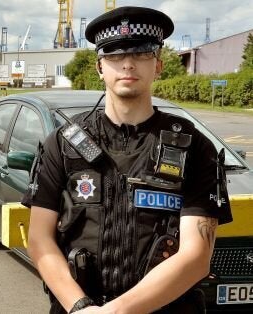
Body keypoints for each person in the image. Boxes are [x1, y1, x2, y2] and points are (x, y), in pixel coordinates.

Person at [23, 6, 232, 314]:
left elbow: (196, 257)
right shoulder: (63, 143)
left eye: (142, 54)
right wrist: (80, 307)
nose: (128, 64)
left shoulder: (194, 147)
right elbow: (40, 240)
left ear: (158, 65)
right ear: (99, 67)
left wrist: (117, 312)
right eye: (114, 55)